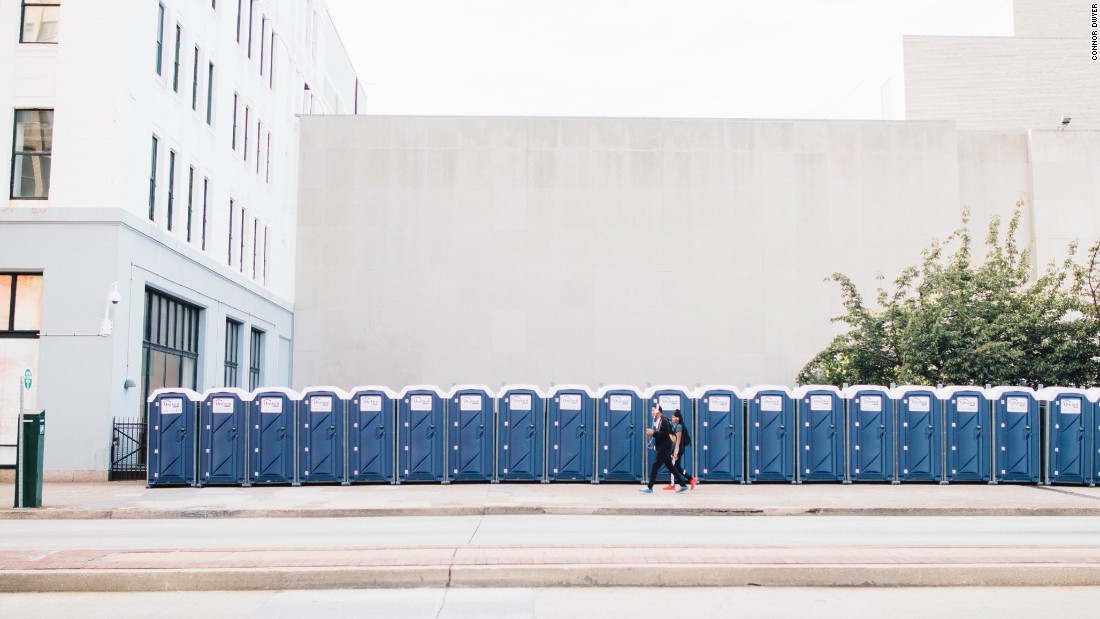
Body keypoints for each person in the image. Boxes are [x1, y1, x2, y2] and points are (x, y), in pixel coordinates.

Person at [640, 404, 689, 494]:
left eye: (652, 410)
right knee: (671, 467)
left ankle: (649, 488)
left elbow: (666, 434)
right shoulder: (659, 420)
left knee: (655, 466)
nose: (651, 412)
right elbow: (662, 435)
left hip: (665, 447)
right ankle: (683, 485)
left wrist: (653, 433)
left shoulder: (664, 420)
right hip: (664, 447)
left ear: (657, 411)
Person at [663, 409, 697, 490]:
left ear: (677, 418)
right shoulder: (677, 425)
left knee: (671, 465)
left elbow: (678, 440)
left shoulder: (679, 426)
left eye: (673, 417)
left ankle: (672, 484)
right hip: (679, 448)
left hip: (678, 449)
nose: (672, 418)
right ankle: (691, 479)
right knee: (677, 467)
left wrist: (675, 452)